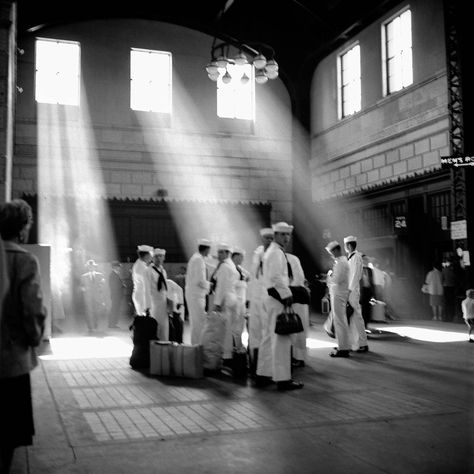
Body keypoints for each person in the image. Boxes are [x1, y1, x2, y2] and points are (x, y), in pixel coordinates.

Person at [0, 199, 47, 473]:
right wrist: (33, 338)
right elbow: (33, 309)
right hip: (10, 359)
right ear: (22, 229)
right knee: (7, 432)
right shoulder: (24, 260)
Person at [256, 222, 304, 390]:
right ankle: (283, 379)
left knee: (269, 337)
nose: (286, 238)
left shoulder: (271, 252)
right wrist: (287, 296)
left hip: (269, 298)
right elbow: (277, 278)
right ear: (275, 235)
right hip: (277, 299)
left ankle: (263, 374)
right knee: (282, 339)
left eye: (288, 235)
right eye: (283, 234)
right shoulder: (276, 253)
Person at [247, 227, 274, 377]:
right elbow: (253, 276)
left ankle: (265, 369)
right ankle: (254, 365)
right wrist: (249, 298)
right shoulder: (257, 253)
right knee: (254, 331)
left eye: (271, 238)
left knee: (267, 333)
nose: (269, 241)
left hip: (267, 297)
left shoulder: (274, 254)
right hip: (256, 297)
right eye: (266, 238)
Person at [210, 243, 240, 368]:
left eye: (222, 252)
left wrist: (217, 303)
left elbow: (221, 286)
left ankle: (227, 356)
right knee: (231, 328)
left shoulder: (223, 267)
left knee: (226, 330)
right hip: (233, 297)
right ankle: (229, 354)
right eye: (219, 252)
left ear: (228, 253)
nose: (219, 255)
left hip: (225, 299)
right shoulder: (231, 265)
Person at [325, 241, 351, 357]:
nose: (331, 255)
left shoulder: (341, 262)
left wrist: (330, 274)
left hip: (339, 294)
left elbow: (337, 279)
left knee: (339, 321)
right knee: (341, 320)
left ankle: (343, 348)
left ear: (336, 250)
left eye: (331, 253)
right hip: (340, 293)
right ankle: (344, 344)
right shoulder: (342, 261)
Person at [344, 236, 369, 352]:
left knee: (357, 316)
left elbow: (355, 276)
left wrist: (349, 290)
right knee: (353, 317)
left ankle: (363, 343)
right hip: (350, 290)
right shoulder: (351, 257)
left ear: (349, 246)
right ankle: (354, 343)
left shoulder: (356, 257)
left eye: (345, 246)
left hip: (352, 291)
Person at [185, 238, 211, 344]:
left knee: (196, 322)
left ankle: (196, 345)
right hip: (196, 295)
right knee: (199, 323)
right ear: (207, 249)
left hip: (194, 295)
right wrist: (211, 285)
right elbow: (200, 281)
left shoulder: (196, 258)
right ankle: (198, 347)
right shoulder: (199, 260)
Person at [286, 252, 309, 368]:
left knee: (298, 328)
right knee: (296, 329)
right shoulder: (290, 258)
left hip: (296, 297)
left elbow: (298, 278)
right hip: (296, 296)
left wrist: (287, 289)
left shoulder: (290, 259)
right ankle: (297, 357)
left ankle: (299, 358)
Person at [147, 248, 169, 341]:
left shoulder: (163, 271)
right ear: (152, 258)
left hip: (163, 302)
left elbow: (166, 288)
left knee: (164, 326)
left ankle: (164, 344)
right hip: (154, 302)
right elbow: (146, 289)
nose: (158, 258)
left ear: (164, 258)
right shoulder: (149, 270)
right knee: (155, 325)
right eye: (156, 256)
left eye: (161, 256)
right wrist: (147, 305)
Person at [80, 259, 106, 333]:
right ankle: (90, 327)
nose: (91, 268)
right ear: (88, 267)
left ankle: (95, 324)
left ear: (94, 267)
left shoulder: (100, 275)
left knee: (96, 311)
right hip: (88, 297)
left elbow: (103, 286)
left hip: (97, 297)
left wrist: (101, 294)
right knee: (89, 312)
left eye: (92, 266)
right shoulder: (83, 276)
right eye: (89, 267)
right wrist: (84, 289)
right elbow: (81, 287)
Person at [231, 247, 250, 352]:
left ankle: (239, 346)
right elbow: (231, 284)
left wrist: (245, 280)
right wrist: (243, 282)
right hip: (235, 300)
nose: (243, 260)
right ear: (236, 256)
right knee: (235, 326)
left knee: (240, 325)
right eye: (241, 257)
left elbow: (248, 276)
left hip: (241, 300)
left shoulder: (240, 269)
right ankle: (236, 347)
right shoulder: (230, 268)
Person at [131, 244, 153, 316]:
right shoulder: (142, 267)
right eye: (151, 255)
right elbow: (148, 284)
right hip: (142, 296)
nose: (152, 257)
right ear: (146, 256)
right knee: (144, 319)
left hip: (141, 295)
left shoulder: (140, 264)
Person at [108, 260, 125, 328]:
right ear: (114, 267)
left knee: (116, 309)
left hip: (117, 295)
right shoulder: (113, 275)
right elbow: (114, 286)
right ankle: (112, 324)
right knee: (114, 310)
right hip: (116, 295)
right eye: (118, 266)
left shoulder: (115, 274)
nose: (119, 268)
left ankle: (113, 323)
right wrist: (122, 285)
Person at [360, 254, 375, 328]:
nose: (365, 261)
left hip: (368, 291)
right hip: (362, 291)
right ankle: (362, 325)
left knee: (368, 308)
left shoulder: (370, 270)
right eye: (364, 259)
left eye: (366, 259)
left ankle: (366, 324)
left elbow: (372, 282)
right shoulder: (358, 270)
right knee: (362, 309)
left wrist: (373, 294)